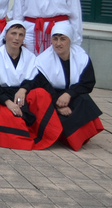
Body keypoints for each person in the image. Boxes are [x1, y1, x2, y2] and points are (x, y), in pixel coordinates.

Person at [0, 20, 62, 150]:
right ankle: (22, 137)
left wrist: (23, 89)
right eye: (13, 33)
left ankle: (43, 133)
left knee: (41, 93)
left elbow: (38, 80)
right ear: (5, 35)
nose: (17, 38)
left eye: (21, 35)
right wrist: (7, 102)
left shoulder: (30, 57)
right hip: (1, 99)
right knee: (11, 118)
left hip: (22, 98)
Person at [35, 21, 103, 150]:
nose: (58, 43)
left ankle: (75, 135)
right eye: (55, 39)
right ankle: (67, 136)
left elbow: (88, 83)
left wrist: (69, 94)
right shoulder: (42, 61)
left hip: (71, 95)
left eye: (63, 39)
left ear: (70, 40)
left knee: (83, 99)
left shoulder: (81, 57)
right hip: (52, 96)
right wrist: (58, 104)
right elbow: (43, 86)